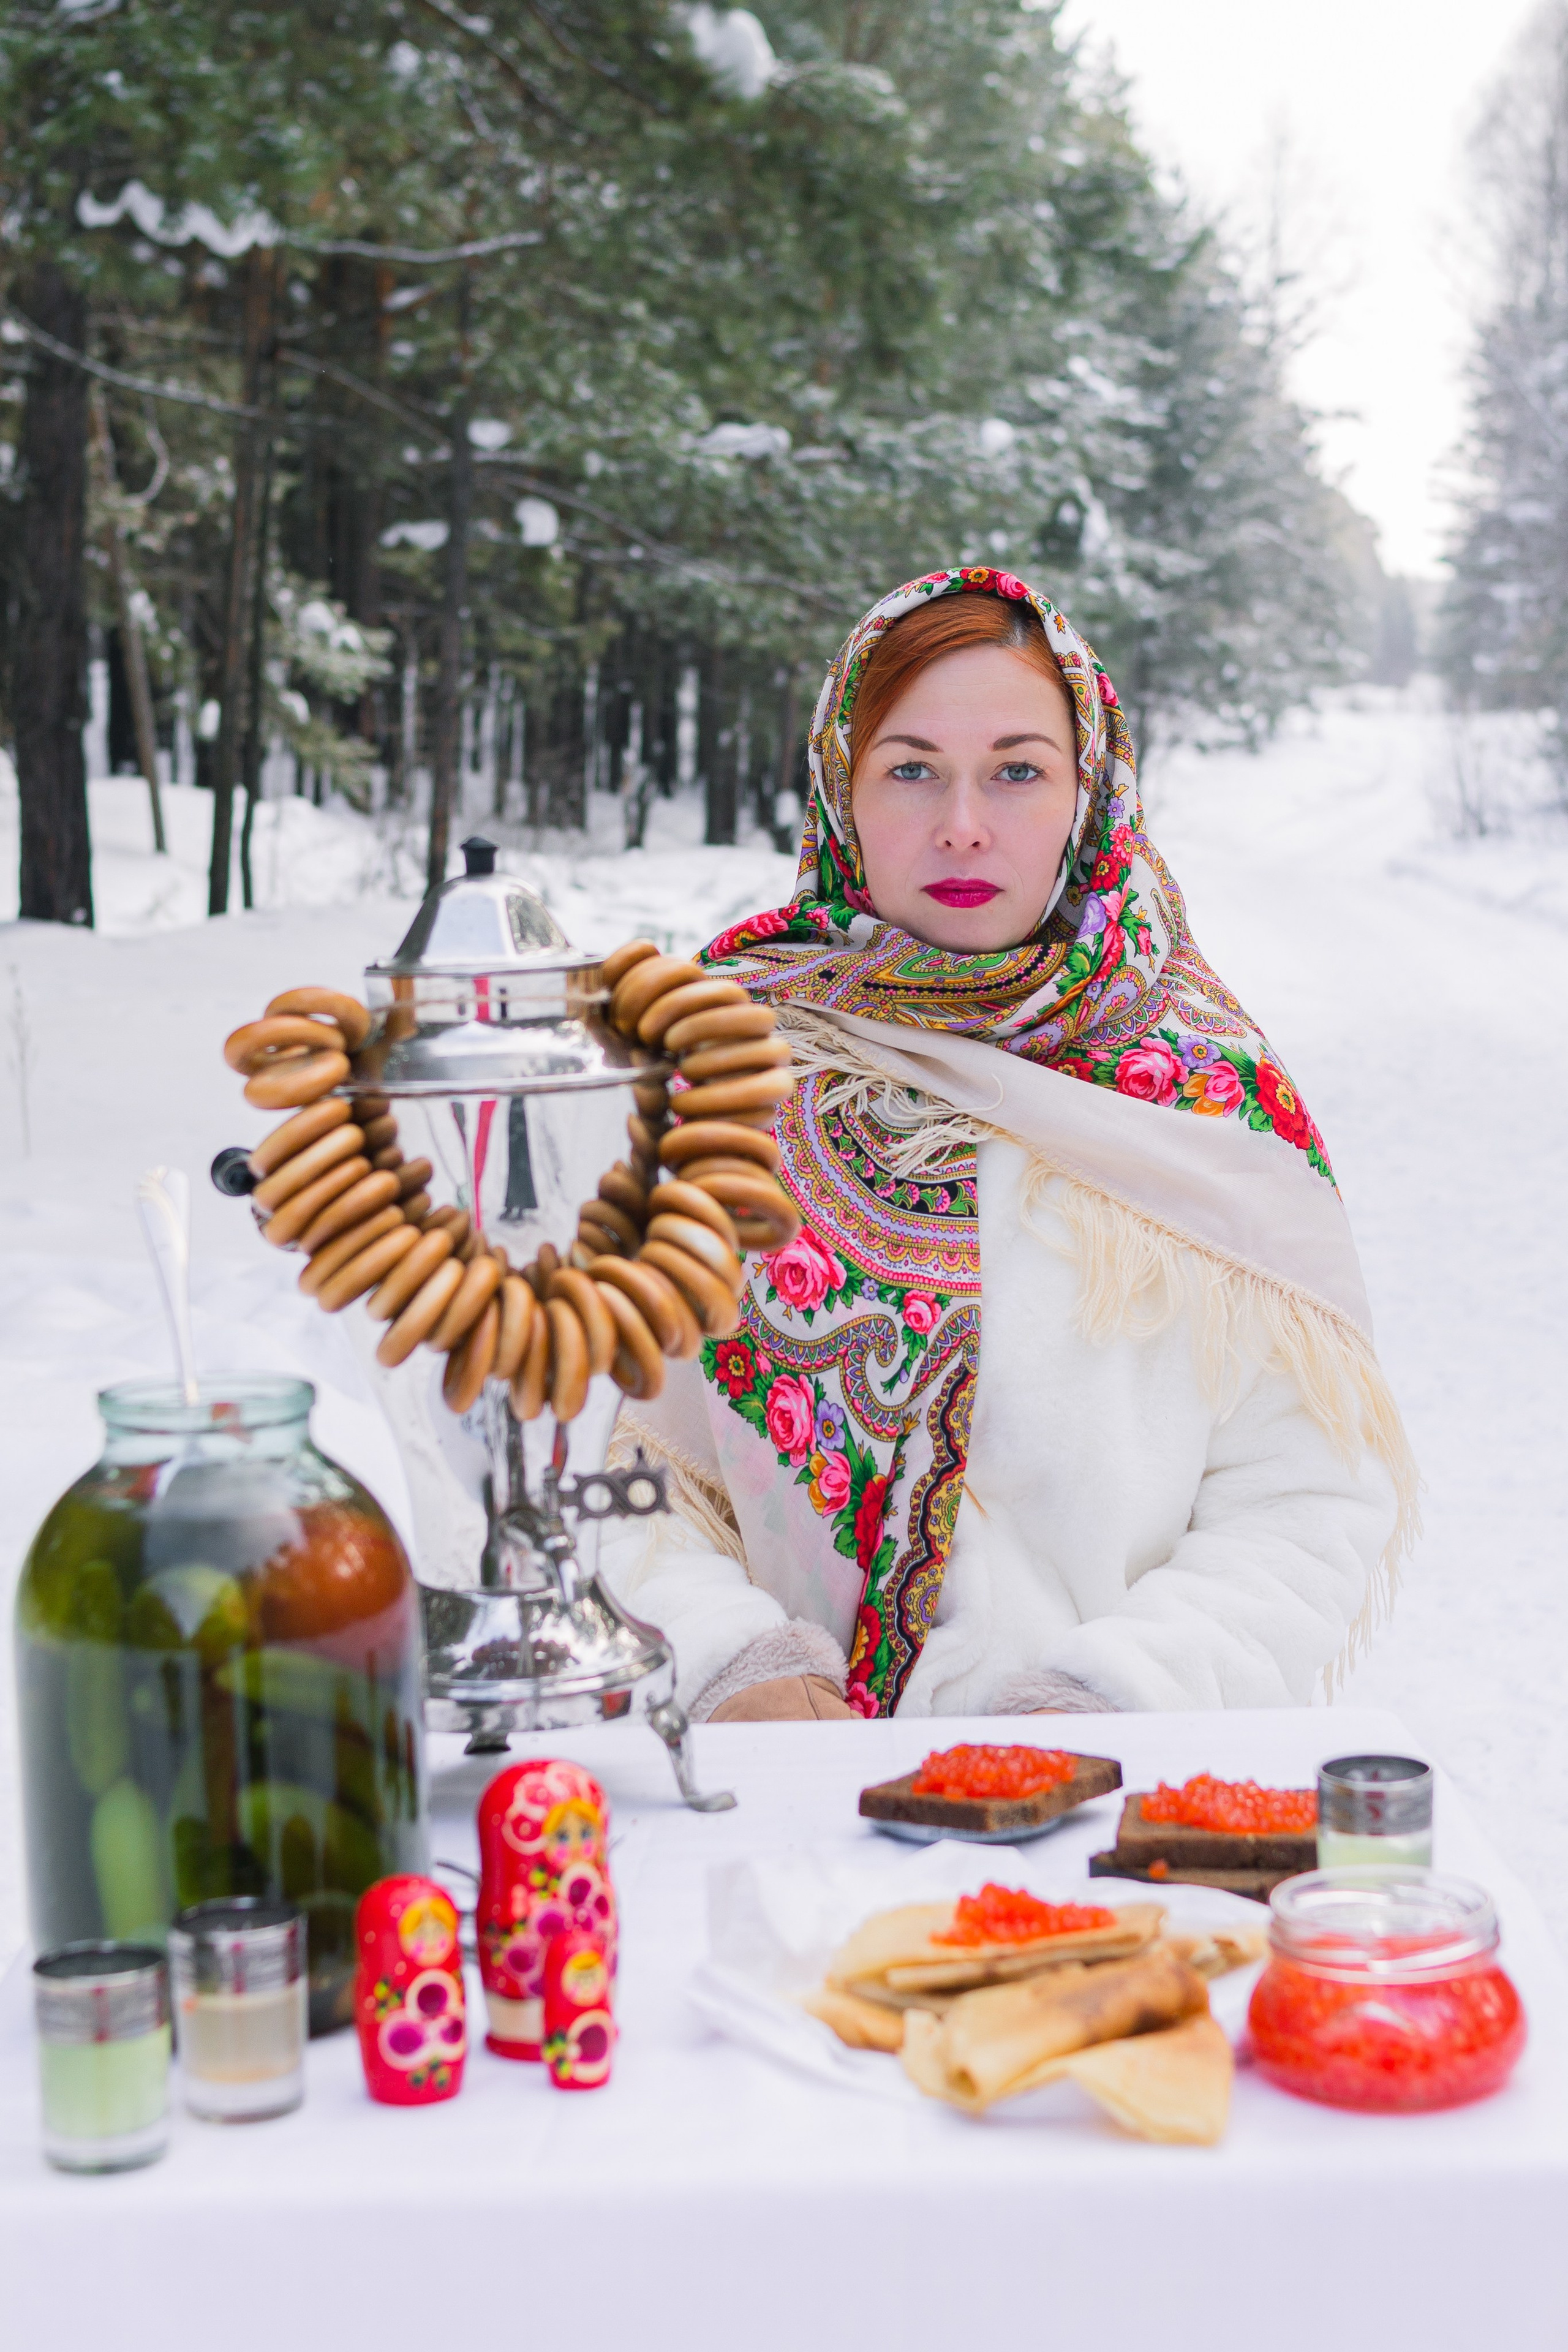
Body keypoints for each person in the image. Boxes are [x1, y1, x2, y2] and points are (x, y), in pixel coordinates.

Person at [600, 566, 1415, 1722]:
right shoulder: (715, 1072)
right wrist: (729, 1663)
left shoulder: (1202, 1096)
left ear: (1089, 792)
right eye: (912, 769)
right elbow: (603, 1450)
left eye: (1018, 771)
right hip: (759, 1801)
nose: (962, 825)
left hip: (1100, 1828)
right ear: (843, 790)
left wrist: (1108, 1699)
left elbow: (1309, 1498)